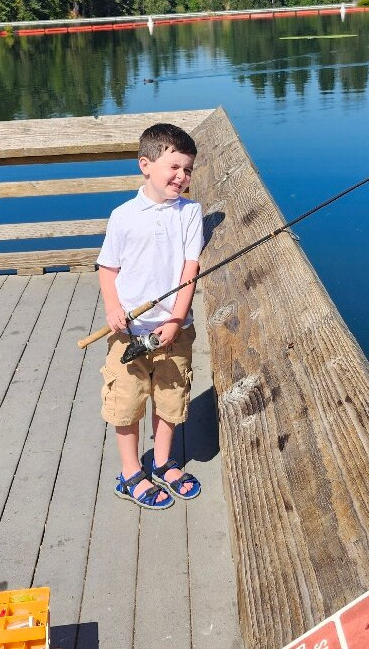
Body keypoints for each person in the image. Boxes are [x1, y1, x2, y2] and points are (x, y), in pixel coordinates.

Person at [96, 123, 204, 510]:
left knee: (170, 398)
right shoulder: (123, 216)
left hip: (175, 331)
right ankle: (130, 473)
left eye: (188, 169)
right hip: (130, 335)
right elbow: (107, 269)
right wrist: (113, 308)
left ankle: (162, 463)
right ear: (146, 164)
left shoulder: (191, 212)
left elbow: (189, 269)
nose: (182, 176)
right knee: (126, 402)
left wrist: (176, 319)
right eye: (174, 167)